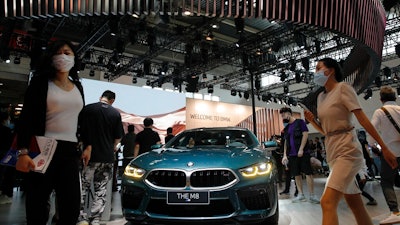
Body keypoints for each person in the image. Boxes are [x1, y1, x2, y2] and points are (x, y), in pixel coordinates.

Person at [303, 58, 397, 225]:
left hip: (348, 150)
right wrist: (313, 122)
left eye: (319, 67)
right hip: (332, 150)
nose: (315, 72)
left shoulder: (343, 89)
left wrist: (384, 148)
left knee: (327, 202)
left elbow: (363, 119)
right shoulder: (320, 97)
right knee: (355, 204)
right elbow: (326, 131)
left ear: (331, 70)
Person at [15, 40, 85, 225]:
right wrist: (22, 151)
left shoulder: (78, 86)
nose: (63, 56)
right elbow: (26, 119)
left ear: (74, 58)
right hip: (42, 148)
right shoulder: (40, 83)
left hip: (69, 150)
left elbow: (79, 119)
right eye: (59, 52)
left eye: (68, 53)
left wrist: (87, 144)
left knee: (71, 205)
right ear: (52, 57)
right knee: (37, 204)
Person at [77, 90, 124, 225]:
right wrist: (113, 146)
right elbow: (118, 137)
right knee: (101, 189)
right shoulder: (115, 113)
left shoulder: (88, 109)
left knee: (83, 187)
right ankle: (95, 219)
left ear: (101, 97)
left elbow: (79, 130)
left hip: (88, 156)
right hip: (106, 157)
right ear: (112, 100)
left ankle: (81, 217)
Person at [368, 86, 400, 225]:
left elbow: (371, 131)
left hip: (390, 153)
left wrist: (373, 146)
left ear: (381, 99)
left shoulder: (380, 112)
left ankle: (395, 212)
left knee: (387, 181)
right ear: (395, 97)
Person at [280, 107, 320, 204]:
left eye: (283, 115)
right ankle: (301, 195)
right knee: (296, 175)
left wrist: (301, 148)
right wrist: (285, 155)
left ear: (289, 114)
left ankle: (312, 195)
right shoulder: (286, 128)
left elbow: (305, 134)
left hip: (303, 153)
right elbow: (286, 141)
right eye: (281, 116)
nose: (283, 117)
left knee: (308, 173)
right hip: (292, 155)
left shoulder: (300, 122)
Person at [0, 111, 15, 204]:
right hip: (5, 154)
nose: (9, 120)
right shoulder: (7, 130)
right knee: (6, 174)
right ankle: (6, 194)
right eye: (9, 118)